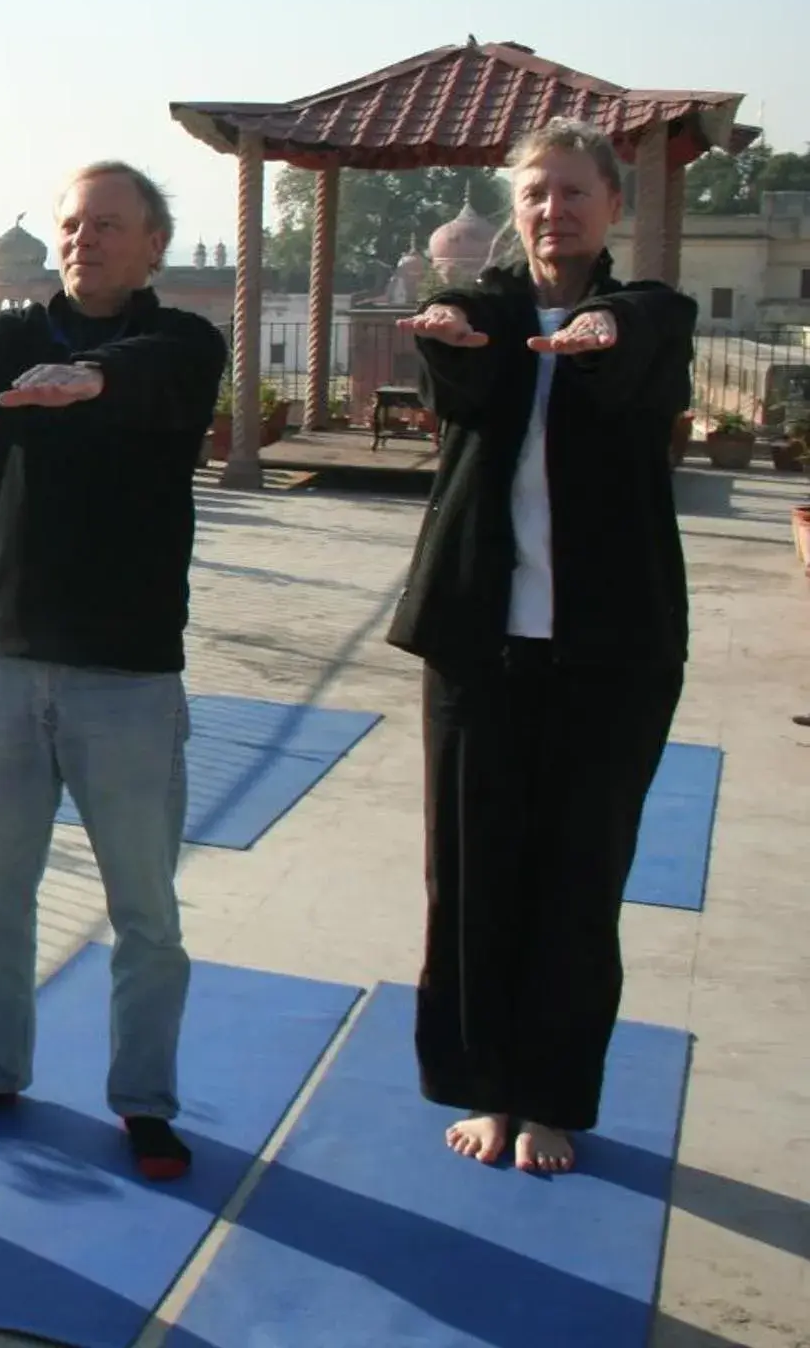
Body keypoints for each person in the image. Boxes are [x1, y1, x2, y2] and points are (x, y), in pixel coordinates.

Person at [0, 161, 225, 1181]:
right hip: (6, 662)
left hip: (128, 675)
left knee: (145, 911)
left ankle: (144, 1101)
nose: (85, 238)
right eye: (73, 223)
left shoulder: (185, 341)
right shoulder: (23, 335)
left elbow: (155, 372)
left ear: (154, 242)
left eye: (109, 224)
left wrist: (94, 381)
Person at [388, 116, 695, 1175]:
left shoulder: (652, 315)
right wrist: (452, 324)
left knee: (578, 875)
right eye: (535, 196)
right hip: (481, 644)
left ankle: (551, 1097)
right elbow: (464, 347)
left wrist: (602, 334)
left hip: (612, 656)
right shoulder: (486, 312)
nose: (552, 211)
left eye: (571, 192)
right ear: (514, 215)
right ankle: (484, 1084)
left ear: (613, 206)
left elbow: (645, 334)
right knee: (470, 874)